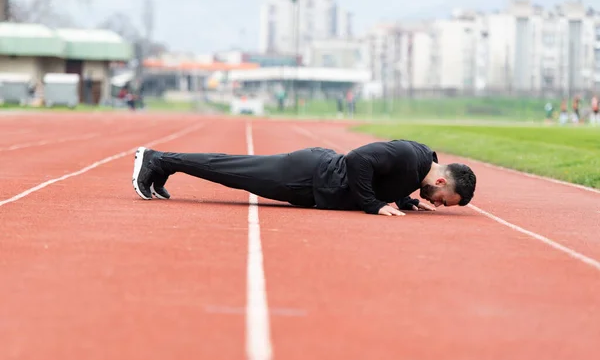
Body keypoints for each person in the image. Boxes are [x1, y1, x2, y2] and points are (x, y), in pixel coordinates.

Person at [131, 139, 476, 216]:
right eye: (441, 200)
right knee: (231, 170)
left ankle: (164, 165)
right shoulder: (408, 156)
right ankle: (157, 159)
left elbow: (390, 176)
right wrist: (373, 204)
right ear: (442, 182)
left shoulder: (417, 168)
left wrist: (405, 200)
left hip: (314, 181)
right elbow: (358, 159)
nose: (436, 203)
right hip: (309, 176)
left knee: (231, 170)